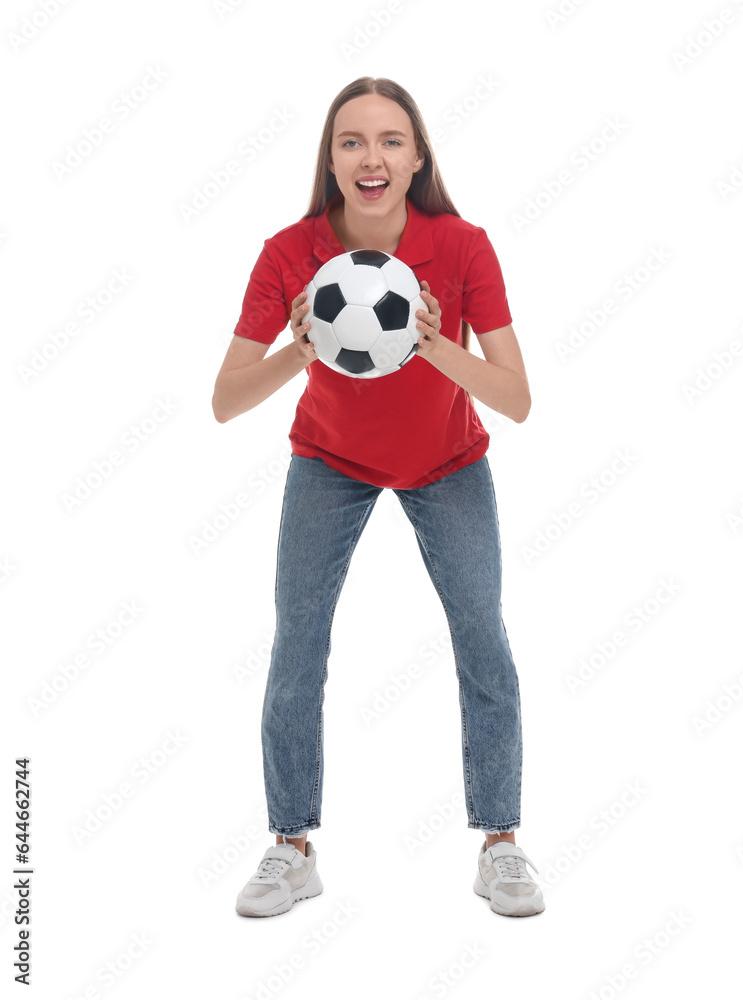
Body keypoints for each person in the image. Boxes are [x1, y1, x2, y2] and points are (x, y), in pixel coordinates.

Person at [213, 76, 545, 919]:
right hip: (330, 458)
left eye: (391, 141)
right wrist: (300, 347)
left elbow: (515, 397)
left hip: (447, 460)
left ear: (418, 156)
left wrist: (429, 343)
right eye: (352, 141)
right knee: (298, 643)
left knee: (483, 634)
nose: (372, 158)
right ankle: (291, 845)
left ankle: (501, 842)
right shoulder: (289, 251)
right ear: (330, 159)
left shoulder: (464, 246)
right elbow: (225, 399)